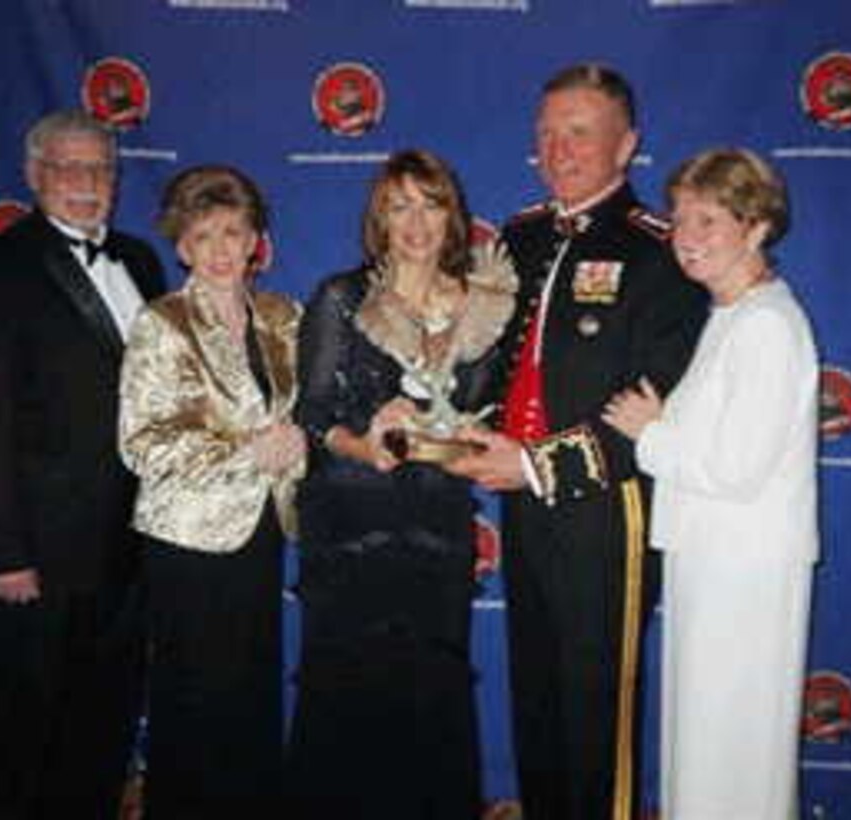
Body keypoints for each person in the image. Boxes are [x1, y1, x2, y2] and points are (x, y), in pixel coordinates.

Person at [448, 63, 708, 820]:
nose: (559, 149)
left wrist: (531, 464)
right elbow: (495, 366)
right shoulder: (521, 238)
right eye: (548, 133)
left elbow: (651, 412)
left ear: (626, 146)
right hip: (521, 503)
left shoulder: (659, 254)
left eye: (580, 133)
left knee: (596, 706)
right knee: (537, 693)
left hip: (606, 511)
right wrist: (463, 423)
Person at [0, 109, 166, 819]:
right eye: (68, 167)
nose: (86, 182)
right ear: (35, 176)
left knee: (97, 737)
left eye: (101, 168)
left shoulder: (141, 261)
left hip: (126, 553)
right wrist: (0, 552)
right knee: (18, 744)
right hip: (30, 560)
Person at [286, 148, 517, 819]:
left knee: (430, 696)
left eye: (430, 203)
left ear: (452, 215)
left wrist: (459, 444)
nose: (415, 222)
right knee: (346, 695)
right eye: (398, 206)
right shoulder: (343, 297)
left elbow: (486, 416)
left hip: (435, 533)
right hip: (351, 527)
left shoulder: (487, 304)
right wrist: (366, 442)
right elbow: (313, 415)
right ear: (378, 220)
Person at [602, 147, 819, 820]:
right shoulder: (732, 316)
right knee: (707, 747)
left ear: (756, 228)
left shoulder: (764, 327)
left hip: (744, 571)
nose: (686, 237)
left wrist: (650, 433)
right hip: (715, 562)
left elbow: (737, 466)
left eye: (708, 220)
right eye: (679, 218)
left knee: (733, 753)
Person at [118, 165, 306, 818]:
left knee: (251, 693)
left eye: (235, 231)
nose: (223, 249)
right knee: (193, 701)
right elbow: (142, 442)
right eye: (205, 235)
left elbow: (305, 411)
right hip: (186, 542)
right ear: (182, 247)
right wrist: (246, 451)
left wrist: (301, 444)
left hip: (258, 532)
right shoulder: (162, 322)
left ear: (257, 239)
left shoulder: (284, 316)